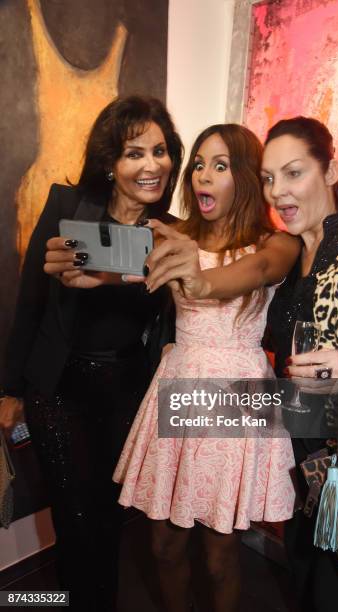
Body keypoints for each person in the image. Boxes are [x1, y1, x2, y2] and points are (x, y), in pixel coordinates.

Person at [132, 117, 338, 612]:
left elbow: (249, 273)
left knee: (331, 585)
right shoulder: (300, 248)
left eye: (294, 173)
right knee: (300, 576)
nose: (279, 190)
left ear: (330, 171)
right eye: (269, 177)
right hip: (297, 437)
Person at [0, 95, 183, 612]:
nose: (151, 165)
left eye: (160, 150)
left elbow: (172, 319)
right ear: (110, 161)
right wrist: (11, 389)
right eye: (134, 153)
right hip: (60, 392)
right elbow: (30, 302)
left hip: (128, 391)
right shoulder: (66, 207)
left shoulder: (170, 232)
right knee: (76, 522)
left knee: (109, 517)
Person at [113, 123, 300, 612]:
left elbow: (257, 272)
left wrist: (199, 282)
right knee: (165, 546)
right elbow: (117, 269)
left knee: (220, 555)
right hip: (178, 382)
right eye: (198, 163)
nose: (203, 175)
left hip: (237, 393)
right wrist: (84, 272)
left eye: (220, 165)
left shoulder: (276, 244)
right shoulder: (175, 237)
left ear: (244, 177)